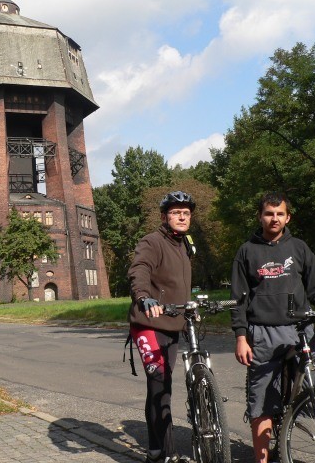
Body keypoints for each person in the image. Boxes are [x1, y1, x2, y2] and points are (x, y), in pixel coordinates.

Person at [231, 191, 315, 463]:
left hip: (301, 331)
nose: (274, 218)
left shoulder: (299, 248)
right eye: (269, 213)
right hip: (262, 333)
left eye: (280, 214)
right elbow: (238, 299)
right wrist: (240, 336)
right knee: (261, 401)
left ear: (287, 217)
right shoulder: (247, 251)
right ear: (260, 216)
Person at [128, 190, 196, 463]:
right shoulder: (152, 242)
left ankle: (158, 447)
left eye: (186, 213)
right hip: (148, 322)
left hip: (173, 323)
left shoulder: (186, 244)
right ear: (164, 216)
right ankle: (162, 453)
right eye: (176, 212)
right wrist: (144, 297)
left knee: (163, 384)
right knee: (160, 384)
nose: (182, 216)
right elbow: (140, 269)